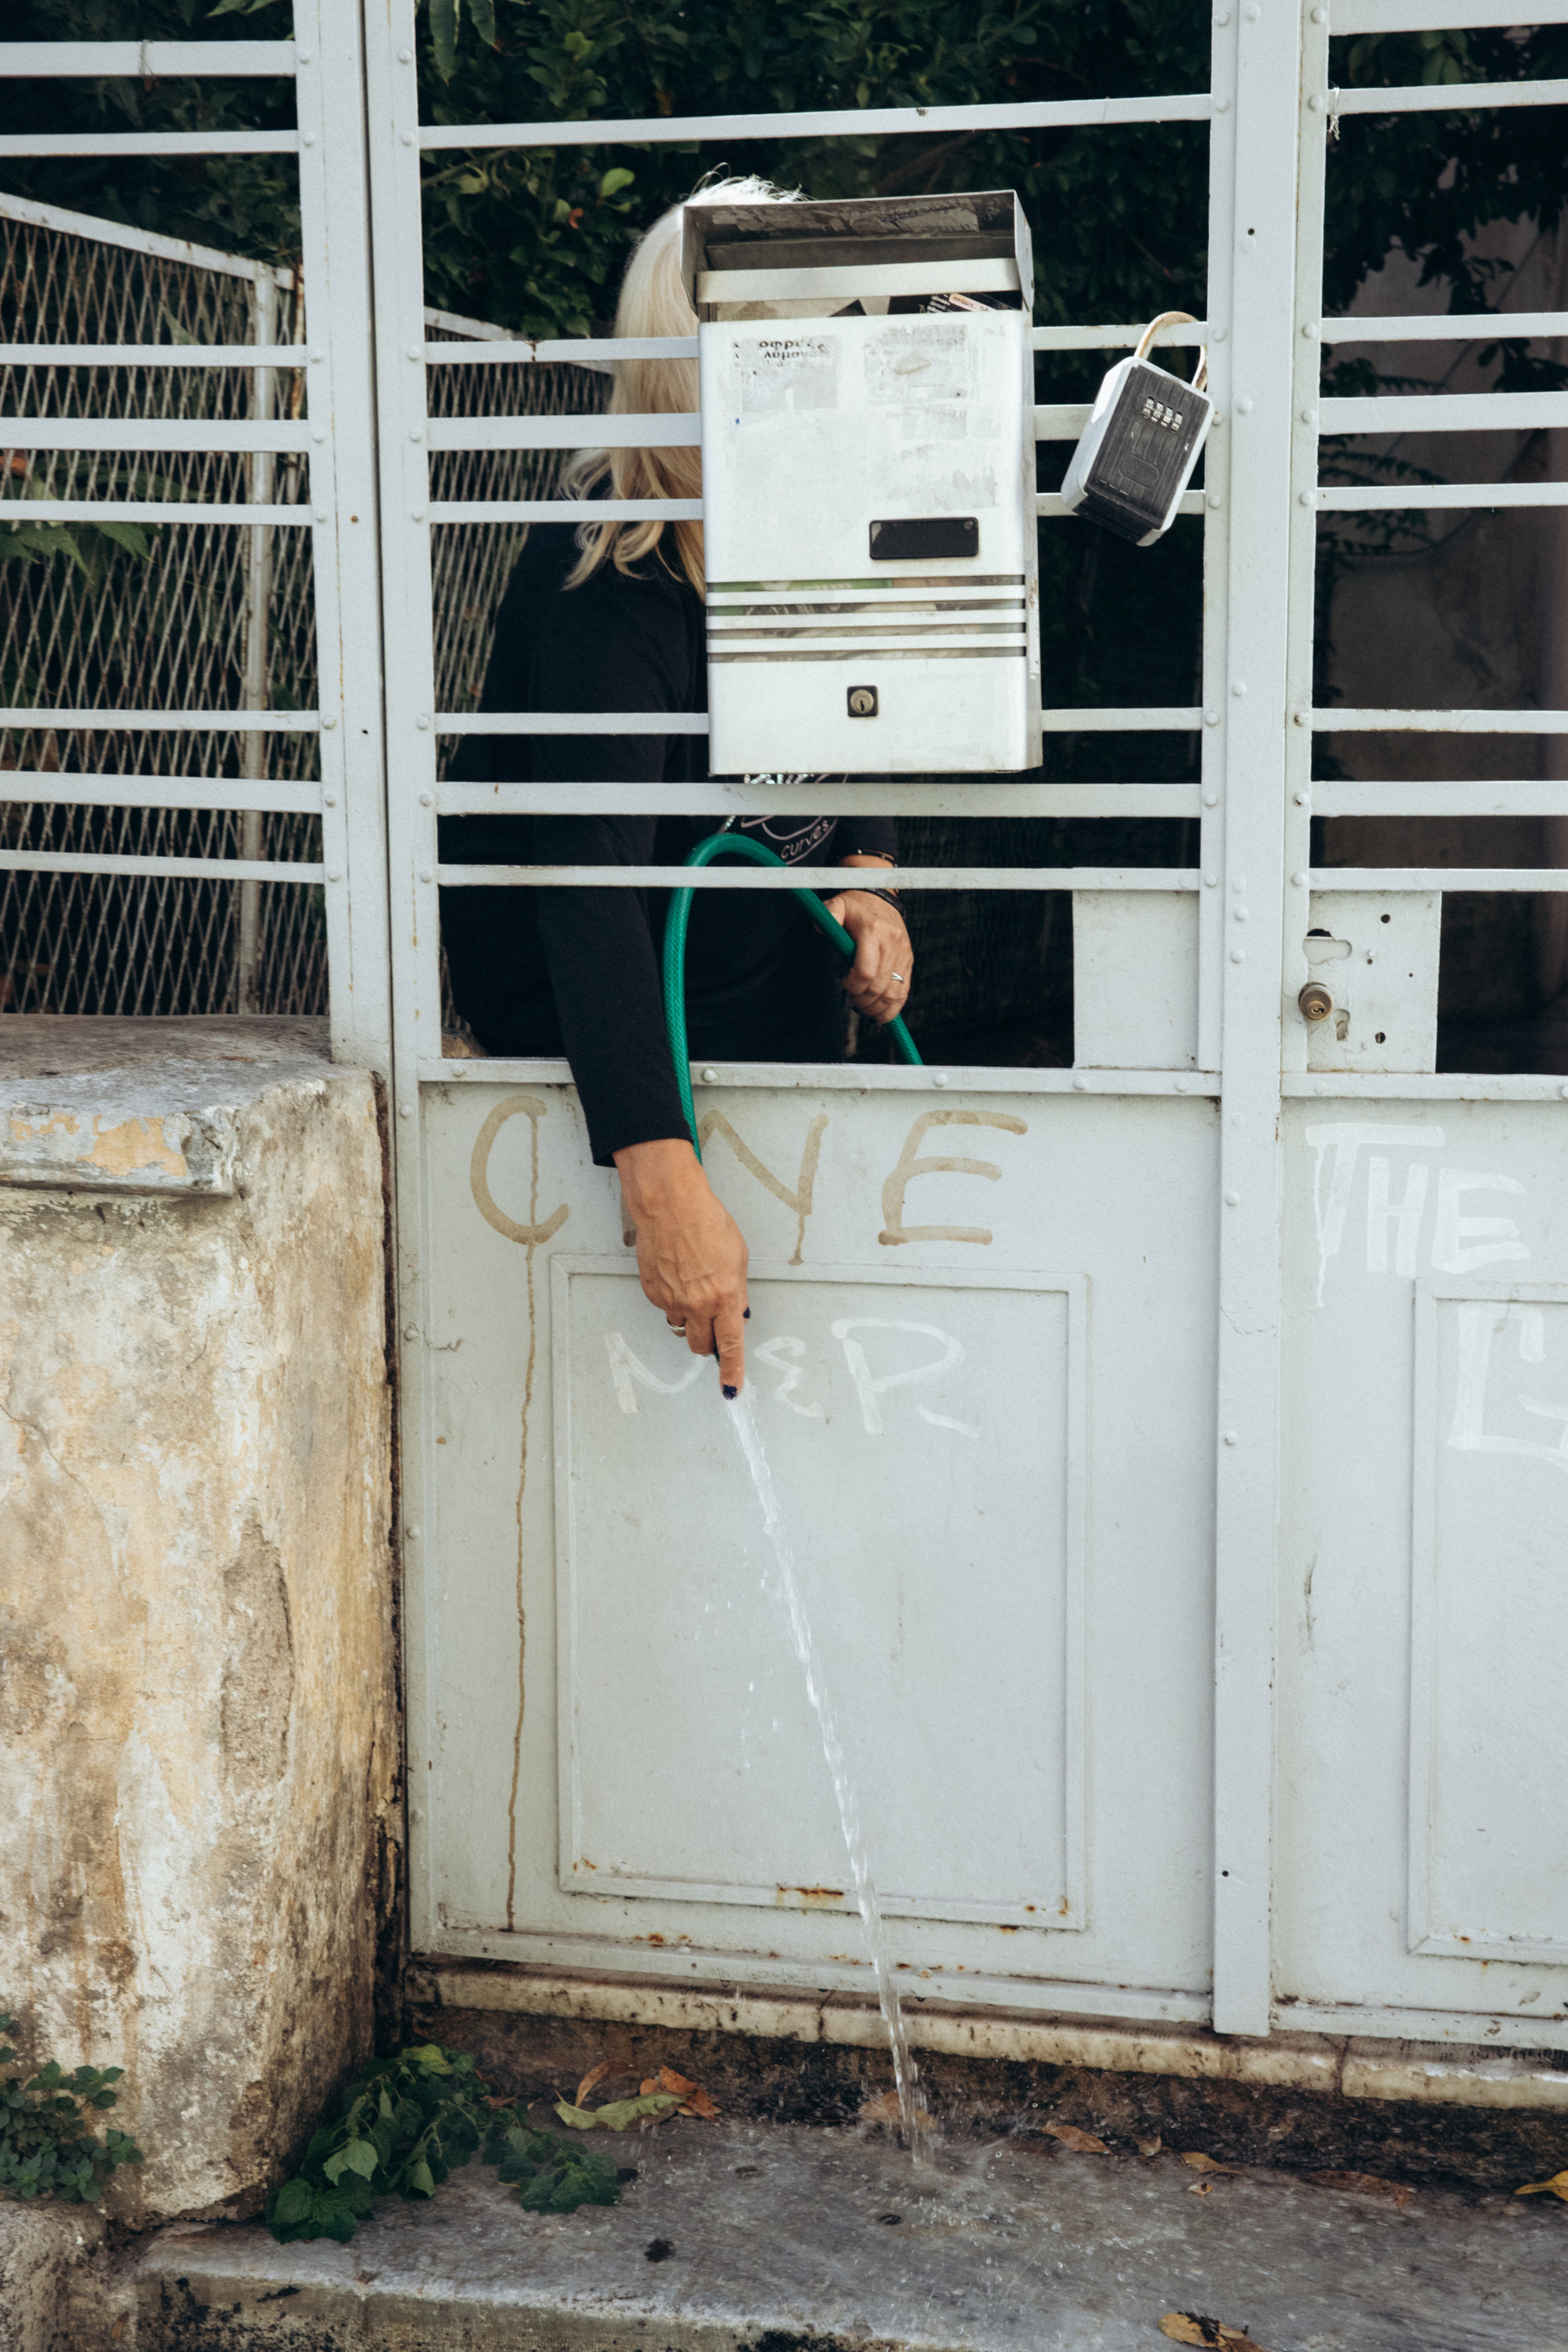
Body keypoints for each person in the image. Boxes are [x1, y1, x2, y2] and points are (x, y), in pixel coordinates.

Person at [441, 181, 914, 1398]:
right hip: (618, 1034)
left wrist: (866, 878)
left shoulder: (809, 530)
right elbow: (585, 891)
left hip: (763, 992)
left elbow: (854, 721)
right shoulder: (609, 571)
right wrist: (659, 1178)